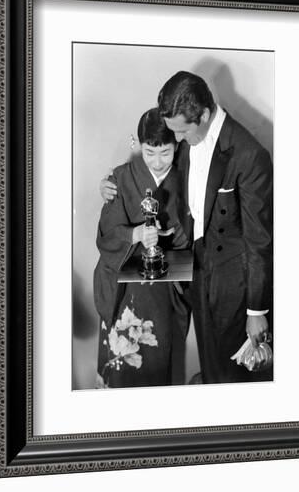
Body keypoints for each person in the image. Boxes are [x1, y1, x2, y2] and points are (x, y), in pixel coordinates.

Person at [101, 71, 273, 384]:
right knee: (210, 367)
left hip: (233, 289)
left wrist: (256, 311)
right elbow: (153, 164)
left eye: (181, 132)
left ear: (204, 115)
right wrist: (110, 184)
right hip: (196, 275)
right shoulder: (185, 137)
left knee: (232, 378)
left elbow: (259, 241)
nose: (176, 141)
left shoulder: (250, 156)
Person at [94, 107, 190, 389]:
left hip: (162, 291)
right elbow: (106, 238)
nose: (158, 162)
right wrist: (134, 233)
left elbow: (190, 232)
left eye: (166, 153)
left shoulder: (186, 177)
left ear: (178, 144)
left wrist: (174, 234)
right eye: (150, 152)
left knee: (157, 365)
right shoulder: (121, 178)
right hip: (123, 291)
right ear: (138, 145)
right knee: (120, 368)